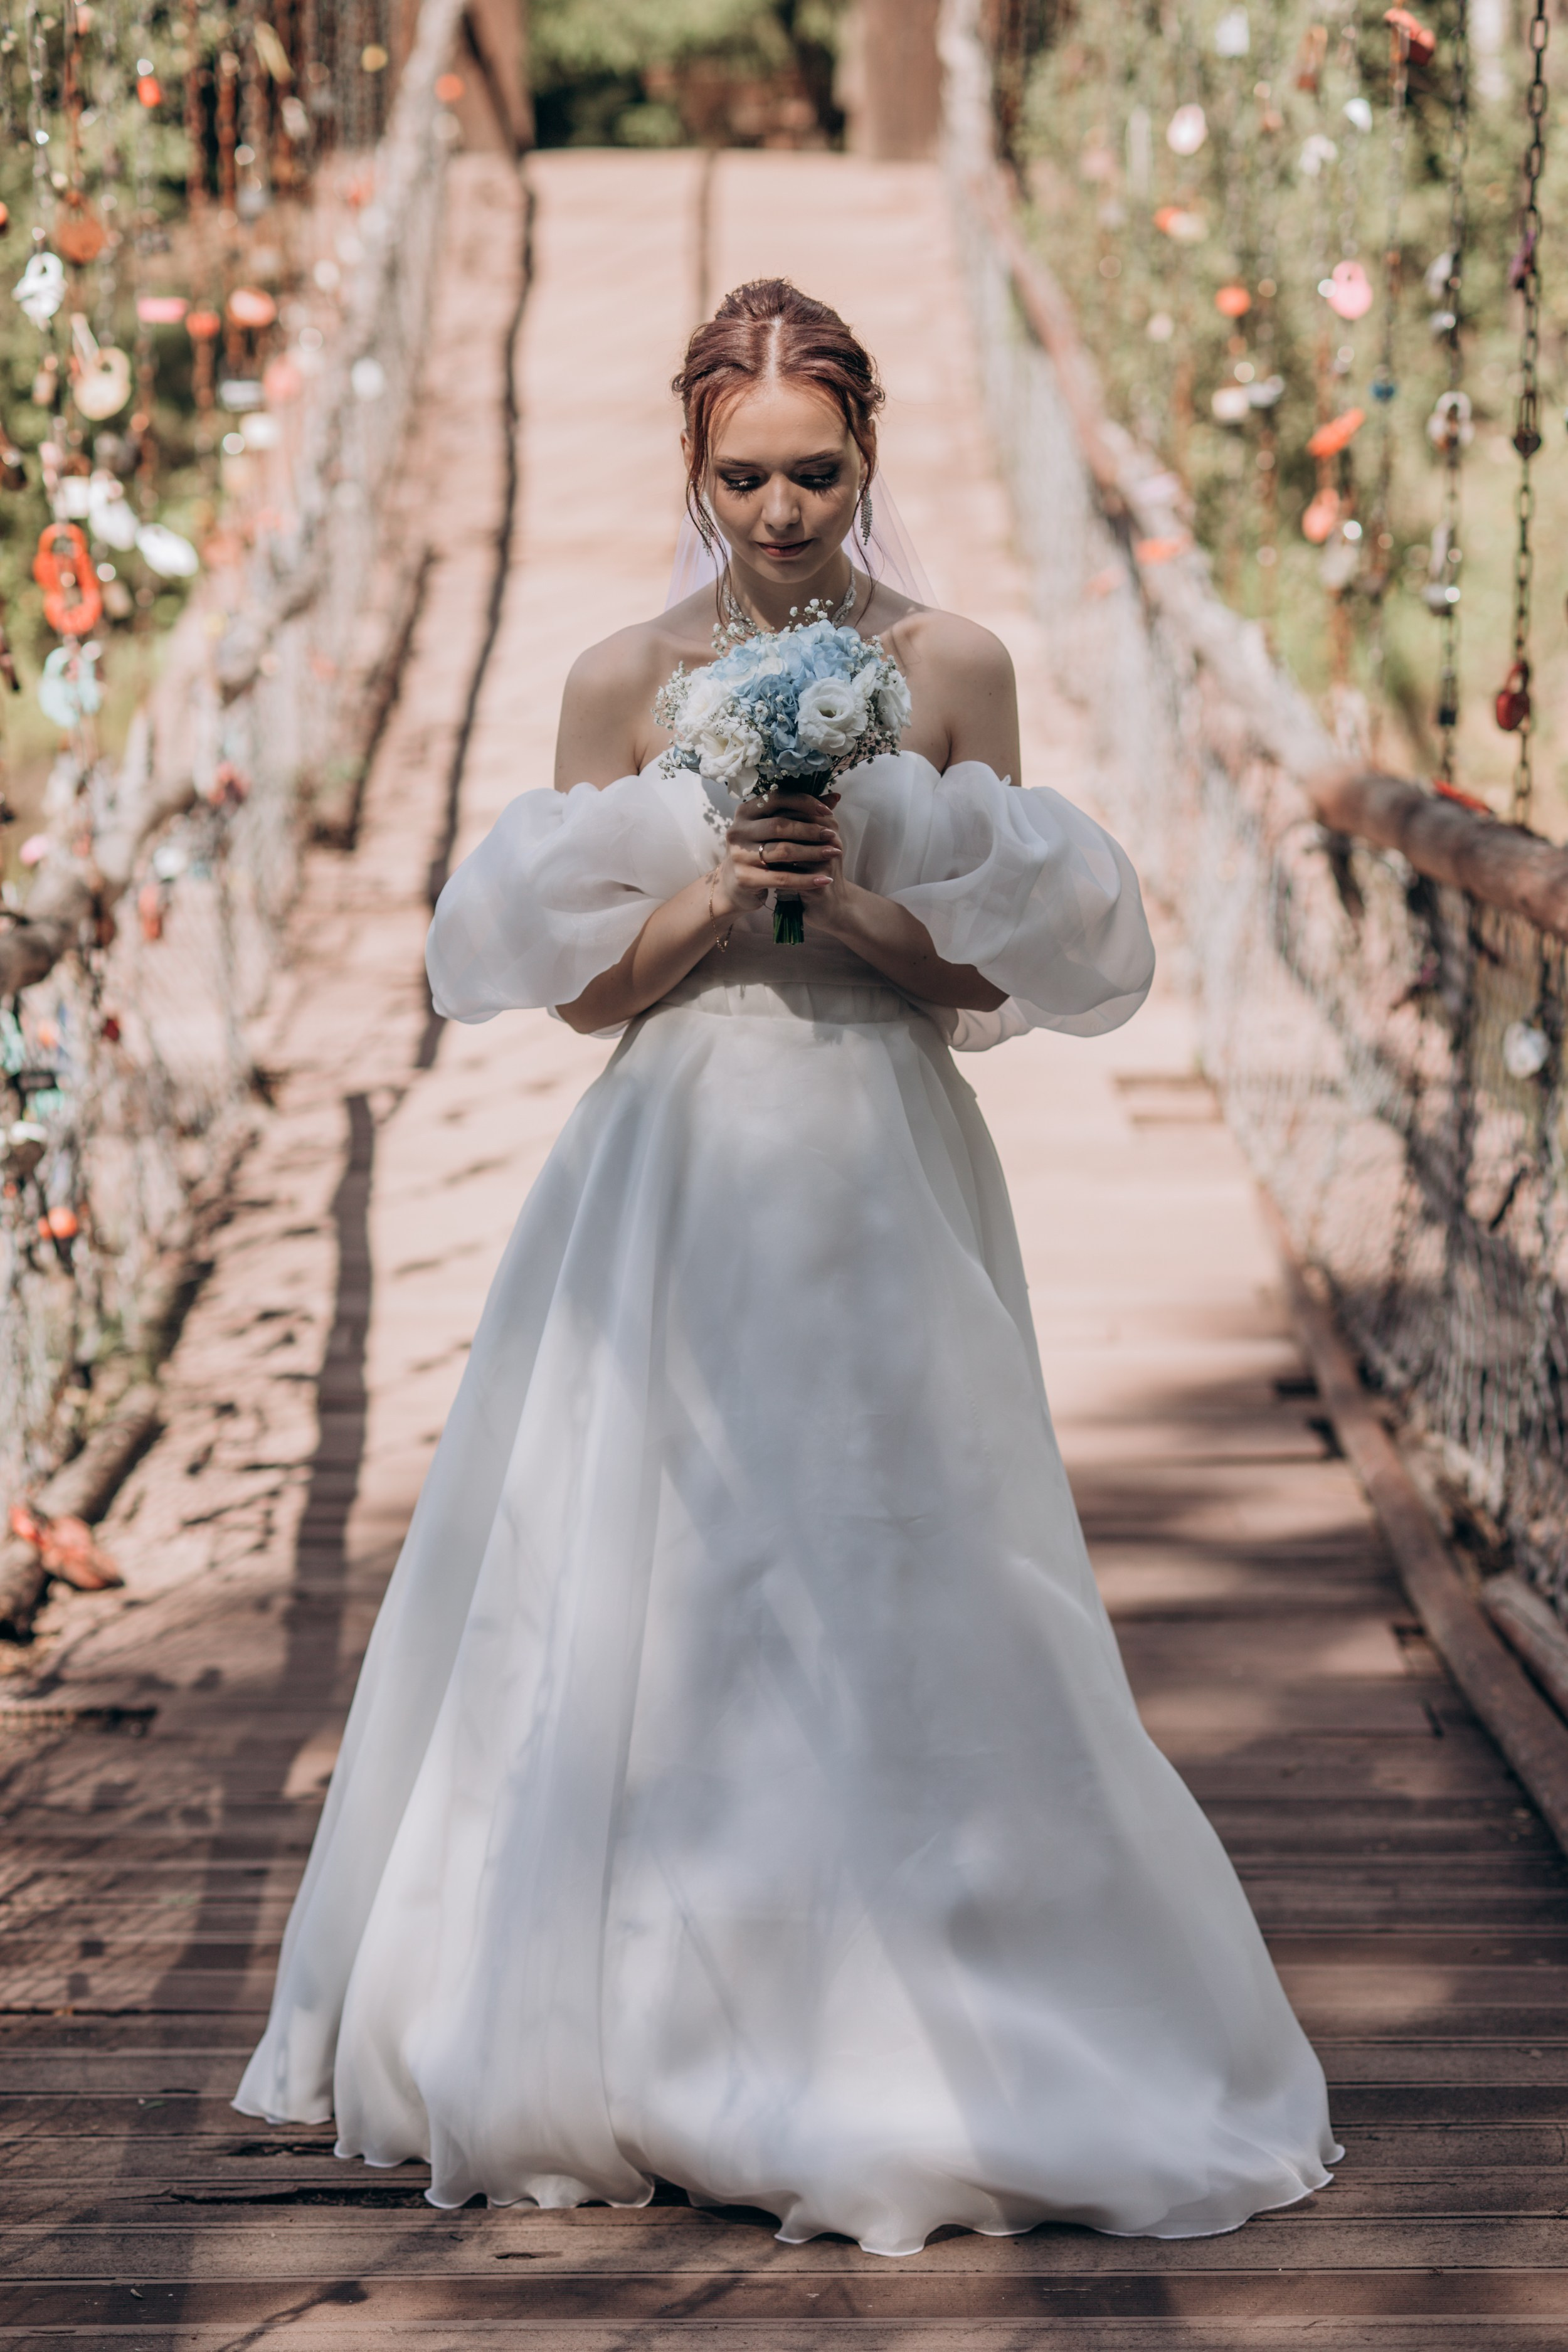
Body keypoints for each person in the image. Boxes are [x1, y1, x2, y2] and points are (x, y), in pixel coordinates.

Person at [236, 280, 1339, 2257]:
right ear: (694, 466)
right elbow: (578, 1003)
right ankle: (638, 2023)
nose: (778, 511)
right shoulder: (615, 676)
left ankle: (944, 2007)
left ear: (867, 455)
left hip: (877, 1138)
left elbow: (991, 975)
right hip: (672, 1155)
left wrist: (854, 902)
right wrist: (709, 897)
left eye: (813, 471)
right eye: (742, 475)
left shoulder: (952, 664)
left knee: (906, 1542)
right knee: (646, 1565)